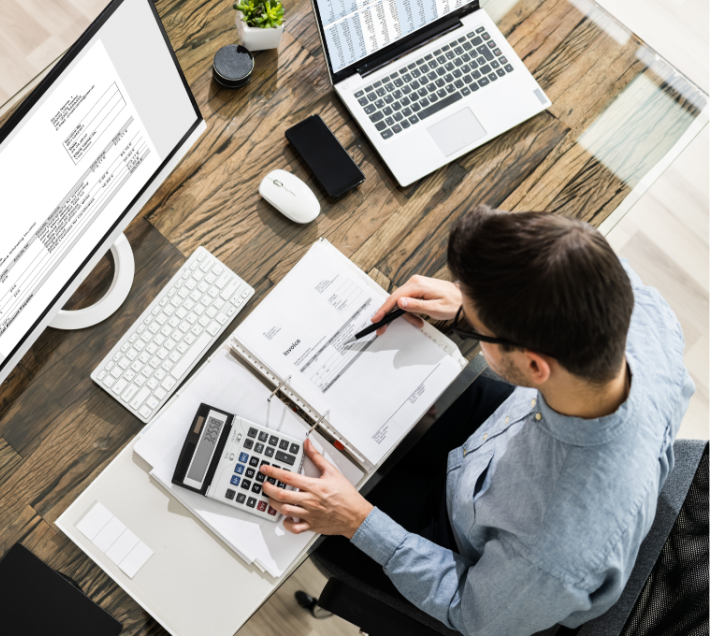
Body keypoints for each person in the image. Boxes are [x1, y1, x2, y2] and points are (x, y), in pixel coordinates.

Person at [261, 205, 694, 636]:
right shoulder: (640, 315)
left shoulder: (552, 547)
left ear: (535, 365)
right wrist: (472, 306)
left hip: (467, 547)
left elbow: (471, 613)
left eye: (482, 331)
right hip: (504, 434)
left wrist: (356, 521)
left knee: (311, 495)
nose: (471, 323)